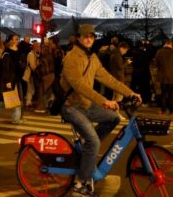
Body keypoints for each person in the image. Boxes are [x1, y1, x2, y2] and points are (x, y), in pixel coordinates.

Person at [60, 25, 140, 197]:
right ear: (79, 38)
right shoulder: (71, 58)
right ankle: (80, 183)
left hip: (87, 105)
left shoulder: (92, 57)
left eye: (92, 36)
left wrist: (129, 92)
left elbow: (107, 78)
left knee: (113, 118)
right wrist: (105, 101)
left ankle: (87, 150)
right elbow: (80, 86)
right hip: (71, 106)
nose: (89, 39)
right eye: (85, 36)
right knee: (94, 142)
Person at [0, 34, 23, 124]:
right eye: (16, 39)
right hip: (9, 80)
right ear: (11, 41)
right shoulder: (7, 54)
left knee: (10, 100)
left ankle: (14, 118)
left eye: (18, 39)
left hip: (15, 79)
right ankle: (14, 119)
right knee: (12, 99)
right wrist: (7, 81)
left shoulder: (16, 52)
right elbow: (5, 69)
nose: (17, 40)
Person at [154, 39, 173, 115]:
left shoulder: (159, 52)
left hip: (162, 76)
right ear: (171, 45)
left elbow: (155, 64)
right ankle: (171, 110)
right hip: (172, 77)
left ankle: (163, 110)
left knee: (163, 93)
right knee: (171, 94)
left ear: (165, 44)